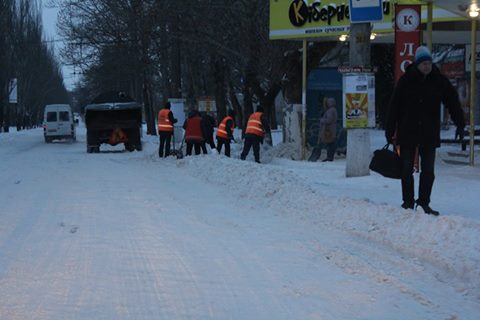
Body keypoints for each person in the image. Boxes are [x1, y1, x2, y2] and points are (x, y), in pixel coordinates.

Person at [385, 46, 465, 216]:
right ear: (417, 64)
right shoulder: (406, 81)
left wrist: (460, 123)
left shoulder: (438, 80)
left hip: (429, 132)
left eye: (429, 63)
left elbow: (452, 101)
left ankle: (423, 203)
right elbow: (394, 106)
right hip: (408, 131)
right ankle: (407, 202)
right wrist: (390, 130)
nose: (427, 66)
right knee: (406, 169)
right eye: (424, 63)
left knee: (428, 170)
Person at [317, 97, 338, 162]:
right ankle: (330, 157)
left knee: (330, 144)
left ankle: (329, 157)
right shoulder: (334, 110)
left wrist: (322, 120)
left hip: (329, 130)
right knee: (331, 144)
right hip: (332, 129)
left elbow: (329, 120)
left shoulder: (330, 110)